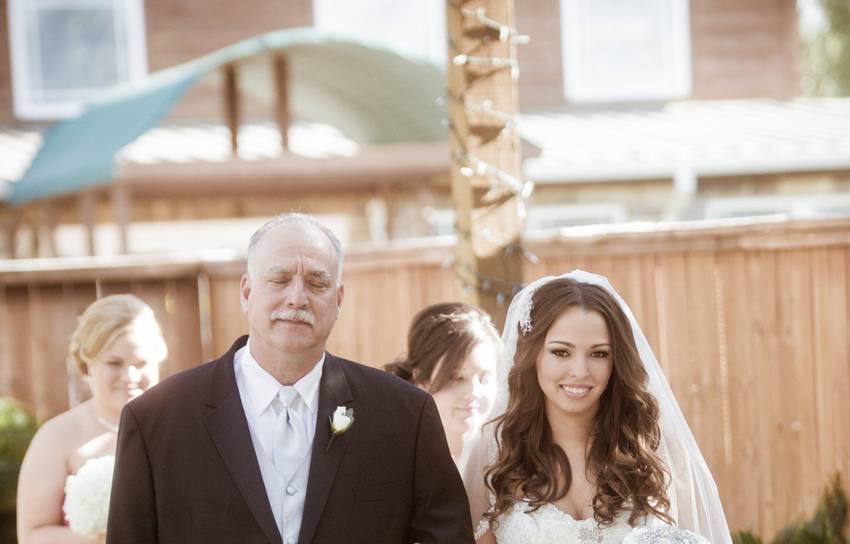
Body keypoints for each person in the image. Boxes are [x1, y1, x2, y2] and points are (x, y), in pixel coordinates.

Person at [106, 213, 473, 544]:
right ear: (247, 293)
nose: (297, 298)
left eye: (317, 283)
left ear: (339, 299)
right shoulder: (156, 420)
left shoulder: (404, 415)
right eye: (279, 280)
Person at [461, 270, 731, 544]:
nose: (580, 371)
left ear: (616, 361)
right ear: (532, 356)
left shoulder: (659, 454)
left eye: (599, 354)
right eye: (561, 352)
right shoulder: (494, 453)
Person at [16, 294, 168, 543]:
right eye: (114, 363)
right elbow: (33, 535)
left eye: (141, 363)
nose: (130, 376)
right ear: (87, 365)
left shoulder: (182, 426)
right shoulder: (57, 436)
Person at [385, 303, 499, 463]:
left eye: (484, 378)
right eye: (457, 377)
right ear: (422, 379)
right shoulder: (397, 461)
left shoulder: (511, 463)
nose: (473, 392)